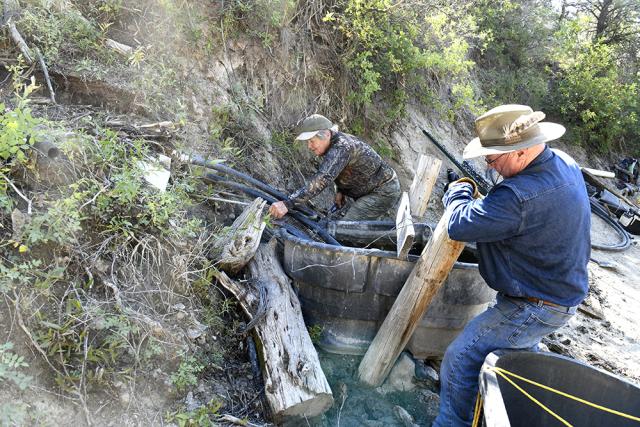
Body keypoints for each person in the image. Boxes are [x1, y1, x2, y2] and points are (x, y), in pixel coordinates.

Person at [433, 105, 591, 427]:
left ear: (519, 152)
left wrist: (458, 193)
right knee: (511, 364)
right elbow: (511, 213)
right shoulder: (564, 163)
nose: (490, 168)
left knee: (461, 357)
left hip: (536, 304)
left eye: (491, 160)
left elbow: (459, 225)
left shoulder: (520, 195)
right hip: (557, 295)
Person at [268, 114, 401, 221]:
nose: (309, 146)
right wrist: (341, 191)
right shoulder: (335, 144)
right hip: (370, 189)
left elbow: (322, 179)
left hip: (382, 191)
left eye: (312, 141)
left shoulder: (342, 147)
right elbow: (346, 169)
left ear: (326, 134)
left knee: (345, 231)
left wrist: (287, 204)